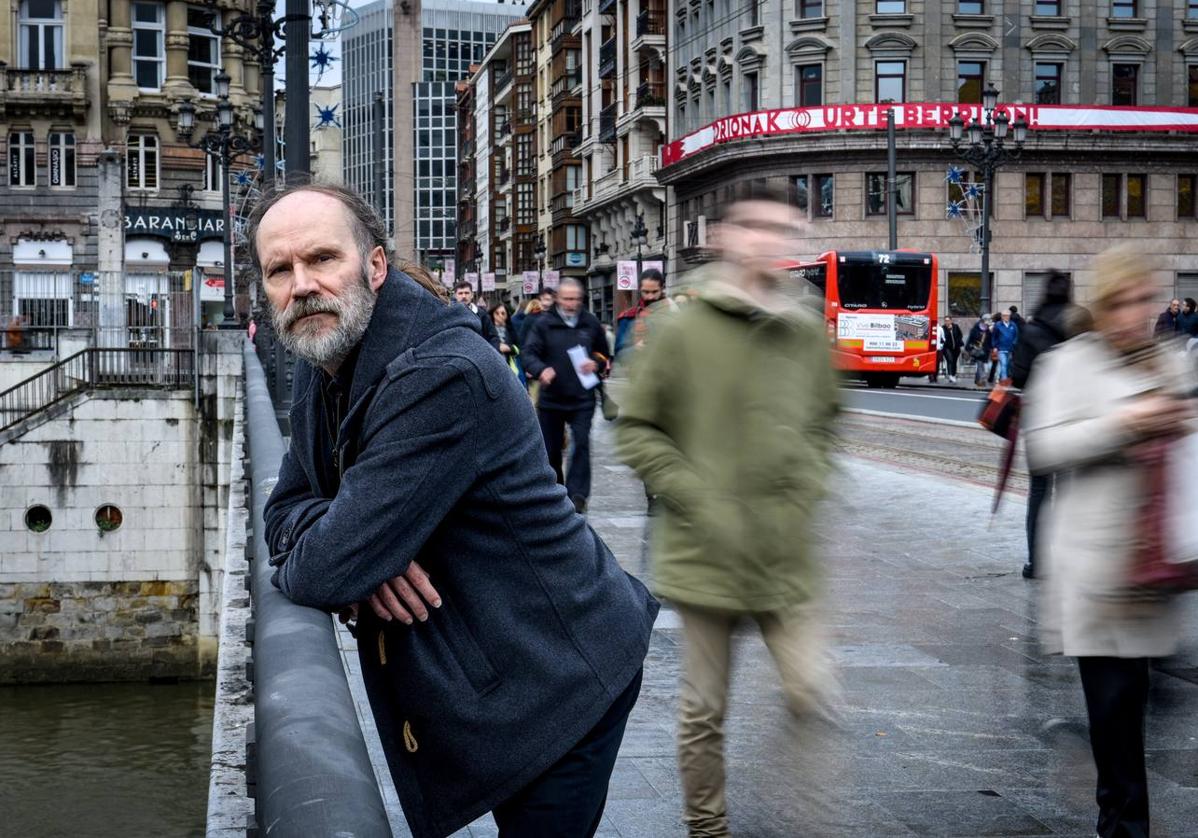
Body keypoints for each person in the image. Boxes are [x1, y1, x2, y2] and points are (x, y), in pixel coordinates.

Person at [252, 183, 657, 838]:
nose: (302, 285)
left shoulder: (441, 373)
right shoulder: (322, 350)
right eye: (280, 269)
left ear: (375, 264)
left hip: (563, 676)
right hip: (494, 669)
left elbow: (323, 570)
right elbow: (289, 512)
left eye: (322, 258)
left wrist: (351, 548)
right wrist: (356, 547)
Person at [617, 190, 840, 838]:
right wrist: (694, 496)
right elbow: (637, 427)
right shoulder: (682, 326)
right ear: (723, 235)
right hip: (707, 552)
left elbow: (827, 422)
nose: (771, 241)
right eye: (757, 227)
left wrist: (807, 484)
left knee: (814, 695)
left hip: (784, 550)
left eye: (785, 229)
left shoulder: (805, 327)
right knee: (704, 710)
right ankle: (707, 827)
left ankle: (810, 820)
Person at [1025, 245, 1195, 838]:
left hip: (1153, 564)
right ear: (1100, 306)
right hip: (1095, 570)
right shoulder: (1068, 364)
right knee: (1115, 709)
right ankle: (1122, 822)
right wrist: (1125, 425)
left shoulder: (1170, 362)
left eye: (1144, 301)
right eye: (1120, 303)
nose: (1134, 315)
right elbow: (1044, 447)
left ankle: (1124, 816)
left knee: (1133, 707)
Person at [1009, 272, 1092, 580]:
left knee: (1039, 491)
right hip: (1074, 417)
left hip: (1041, 419)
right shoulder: (1080, 325)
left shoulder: (1031, 329)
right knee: (1070, 490)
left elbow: (1018, 376)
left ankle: (1036, 562)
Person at [521, 277, 609, 514]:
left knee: (581, 443)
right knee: (551, 450)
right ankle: (557, 491)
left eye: (576, 299)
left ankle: (578, 495)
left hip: (582, 397)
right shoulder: (544, 324)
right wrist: (542, 369)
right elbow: (528, 354)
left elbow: (604, 353)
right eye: (567, 299)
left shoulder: (589, 322)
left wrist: (596, 363)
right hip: (552, 398)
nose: (572, 304)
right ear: (559, 299)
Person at [613, 268, 668, 359]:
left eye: (655, 292)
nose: (650, 297)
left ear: (662, 289)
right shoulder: (629, 317)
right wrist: (635, 349)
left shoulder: (675, 313)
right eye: (646, 292)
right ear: (640, 290)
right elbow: (619, 354)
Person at [453, 280, 501, 352]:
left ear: (472, 295)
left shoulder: (482, 315)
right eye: (460, 293)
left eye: (466, 293)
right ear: (455, 296)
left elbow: (494, 337)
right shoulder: (450, 315)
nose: (464, 296)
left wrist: (489, 353)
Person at [490, 301, 523, 383]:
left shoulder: (511, 330)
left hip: (509, 369)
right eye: (497, 313)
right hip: (492, 369)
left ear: (507, 315)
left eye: (503, 313)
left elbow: (519, 348)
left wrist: (510, 348)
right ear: (492, 314)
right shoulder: (487, 330)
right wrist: (497, 347)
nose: (500, 316)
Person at [991, 309, 1019, 382]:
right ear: (1002, 317)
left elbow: (1016, 335)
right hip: (1000, 348)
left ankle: (1000, 377)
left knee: (1007, 365)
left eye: (1008, 316)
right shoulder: (998, 325)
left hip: (1010, 348)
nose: (1006, 317)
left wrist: (1014, 343)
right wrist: (994, 347)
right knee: (1003, 363)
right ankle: (1004, 380)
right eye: (1004, 316)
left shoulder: (1013, 325)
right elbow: (994, 336)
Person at [966, 314, 992, 388]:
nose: (989, 321)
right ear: (983, 320)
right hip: (977, 350)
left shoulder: (988, 329)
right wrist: (968, 348)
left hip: (986, 350)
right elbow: (971, 338)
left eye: (989, 319)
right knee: (980, 365)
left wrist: (991, 347)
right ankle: (982, 380)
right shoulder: (976, 328)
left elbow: (990, 340)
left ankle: (977, 379)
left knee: (982, 366)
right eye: (987, 319)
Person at [941, 316, 964, 383]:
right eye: (945, 320)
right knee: (949, 360)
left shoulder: (956, 326)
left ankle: (953, 375)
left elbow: (960, 335)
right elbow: (944, 337)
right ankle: (950, 375)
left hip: (956, 347)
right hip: (947, 347)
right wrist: (949, 330)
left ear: (951, 321)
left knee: (954, 361)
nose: (947, 322)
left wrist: (958, 341)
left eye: (948, 320)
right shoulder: (943, 328)